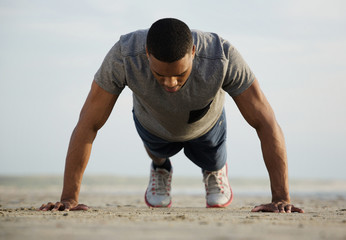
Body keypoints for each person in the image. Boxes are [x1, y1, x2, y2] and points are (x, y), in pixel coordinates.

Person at [39, 18, 303, 213]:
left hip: (206, 125)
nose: (171, 83)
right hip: (153, 123)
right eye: (160, 74)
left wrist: (281, 197)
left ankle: (214, 170)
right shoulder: (124, 56)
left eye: (180, 74)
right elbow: (88, 123)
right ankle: (160, 168)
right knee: (157, 145)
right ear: (146, 54)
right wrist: (69, 197)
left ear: (193, 53)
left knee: (211, 161)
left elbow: (265, 121)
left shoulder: (222, 56)